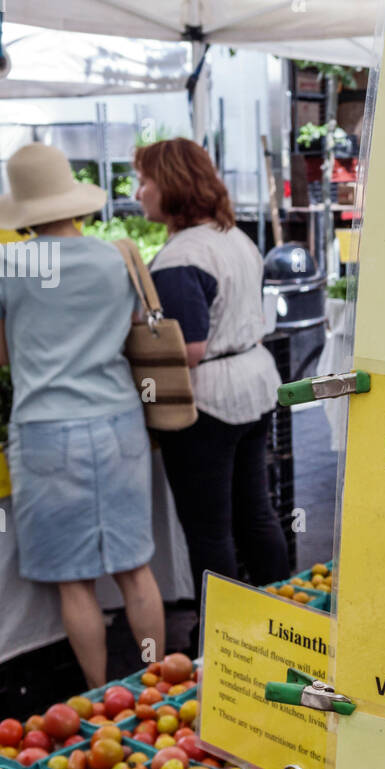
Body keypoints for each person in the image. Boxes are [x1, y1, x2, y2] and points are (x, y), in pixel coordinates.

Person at [0, 142, 165, 688]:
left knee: (75, 582)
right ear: (74, 200)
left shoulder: (5, 262)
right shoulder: (116, 257)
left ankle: (101, 694)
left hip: (44, 432)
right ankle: (159, 688)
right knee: (135, 568)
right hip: (120, 425)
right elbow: (132, 331)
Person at [133, 137, 289, 627]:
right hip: (255, 385)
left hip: (209, 402)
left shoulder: (182, 258)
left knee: (210, 529)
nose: (139, 193)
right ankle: (281, 618)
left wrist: (131, 343)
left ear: (171, 186)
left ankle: (219, 640)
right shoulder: (233, 237)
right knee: (256, 512)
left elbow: (191, 348)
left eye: (146, 182)